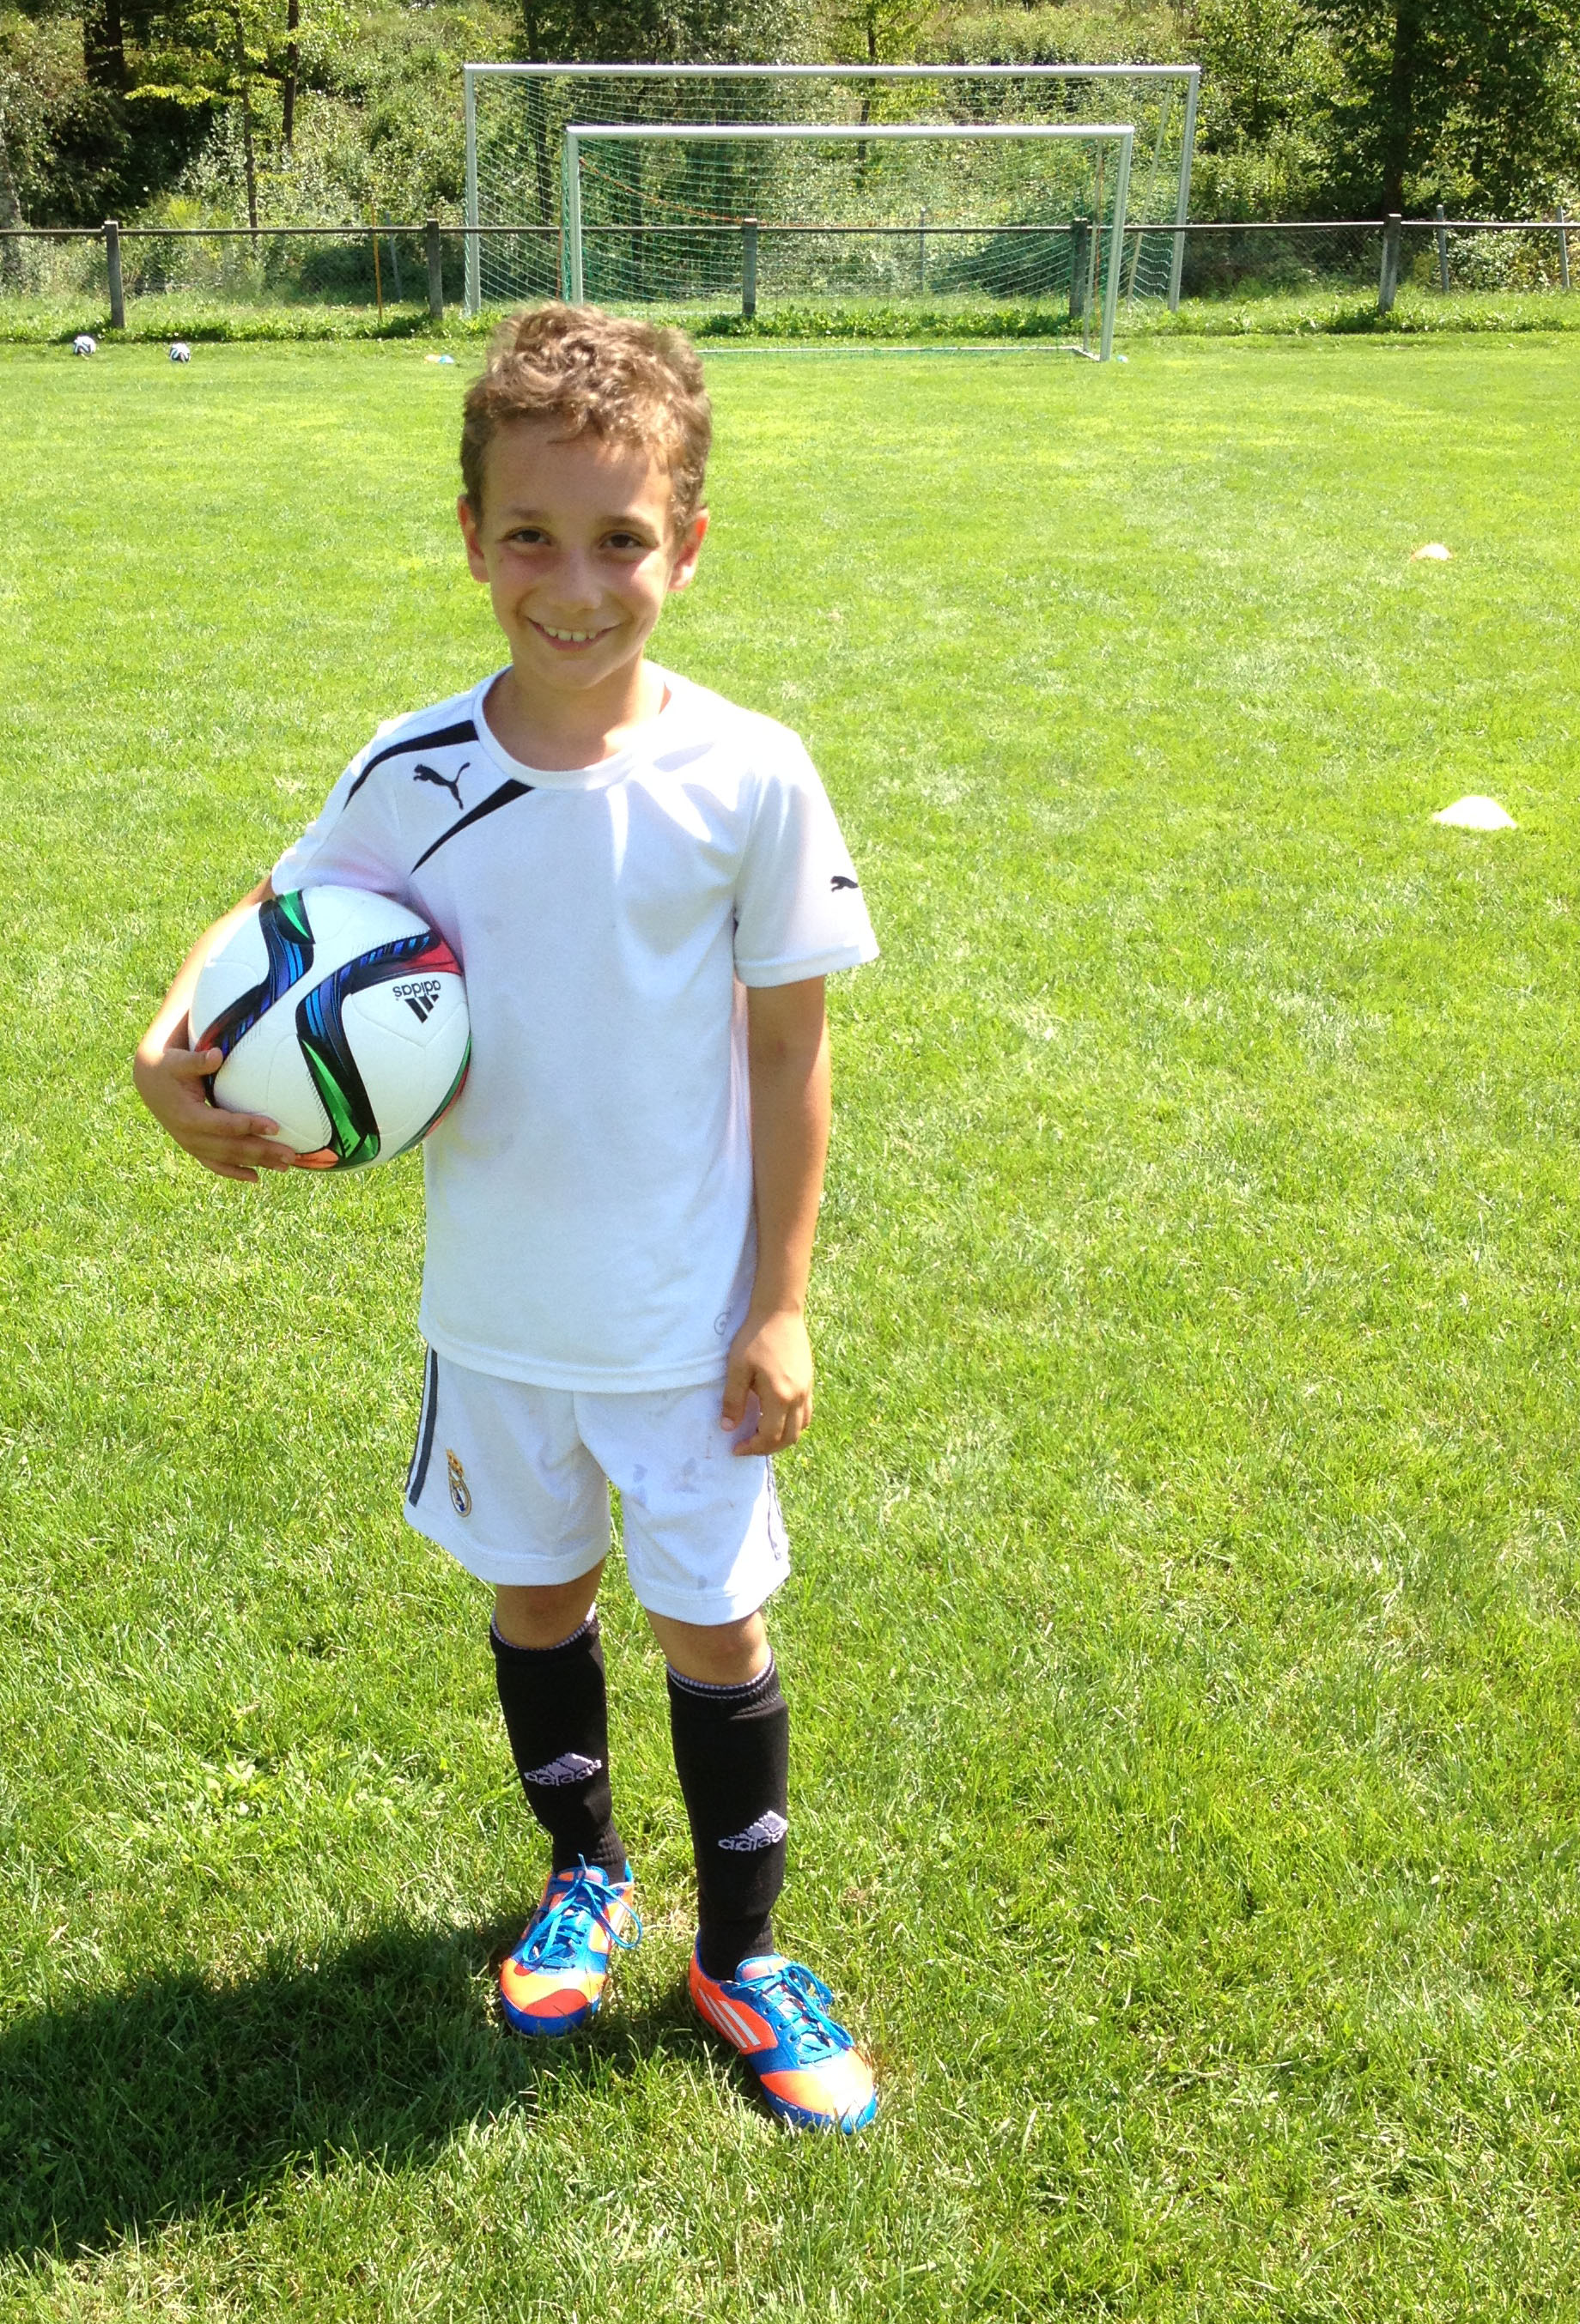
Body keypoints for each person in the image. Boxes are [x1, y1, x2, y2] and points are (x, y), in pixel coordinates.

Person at [132, 304, 879, 2133]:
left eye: (621, 539)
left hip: (685, 1323)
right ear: (472, 539)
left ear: (686, 548)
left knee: (714, 1630)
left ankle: (743, 1953)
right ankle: (584, 1874)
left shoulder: (749, 776)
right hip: (496, 1314)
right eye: (531, 536)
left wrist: (779, 1303)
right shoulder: (411, 770)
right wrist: (169, 1046)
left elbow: (792, 1055)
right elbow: (282, 915)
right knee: (536, 1597)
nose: (575, 583)